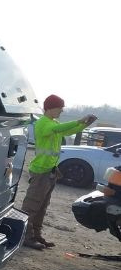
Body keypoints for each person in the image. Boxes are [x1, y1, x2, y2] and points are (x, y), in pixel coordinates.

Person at [21, 94, 97, 250]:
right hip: (41, 172)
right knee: (32, 206)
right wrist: (79, 120)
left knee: (42, 206)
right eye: (59, 109)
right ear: (50, 108)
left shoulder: (53, 123)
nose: (61, 112)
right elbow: (59, 128)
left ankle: (36, 235)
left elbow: (67, 131)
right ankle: (25, 237)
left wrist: (84, 125)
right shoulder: (43, 123)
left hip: (50, 172)